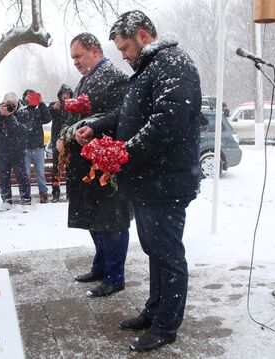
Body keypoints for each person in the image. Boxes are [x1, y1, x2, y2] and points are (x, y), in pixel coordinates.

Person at [74, 11, 202, 352]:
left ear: (144, 36)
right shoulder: (149, 69)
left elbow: (167, 122)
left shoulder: (173, 64)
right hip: (149, 182)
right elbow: (129, 114)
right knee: (154, 251)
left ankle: (166, 325)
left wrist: (123, 152)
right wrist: (99, 126)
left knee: (168, 255)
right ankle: (154, 310)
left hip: (167, 182)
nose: (124, 55)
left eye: (126, 47)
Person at [56, 32, 131, 298]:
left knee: (111, 220)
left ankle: (115, 276)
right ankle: (101, 267)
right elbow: (72, 116)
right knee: (94, 219)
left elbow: (121, 114)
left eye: (79, 55)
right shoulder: (83, 81)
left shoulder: (116, 78)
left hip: (104, 162)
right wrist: (63, 137)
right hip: (84, 163)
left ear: (95, 50)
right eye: (73, 57)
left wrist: (92, 127)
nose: (75, 61)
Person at [0, 92, 32, 211]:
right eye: (9, 104)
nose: (12, 107)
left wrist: (9, 116)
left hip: (18, 151)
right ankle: (6, 201)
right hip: (0, 150)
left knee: (22, 176)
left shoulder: (24, 112)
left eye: (14, 104)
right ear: (3, 102)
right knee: (3, 177)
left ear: (18, 103)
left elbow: (21, 131)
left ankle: (26, 200)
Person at [17, 89, 52, 203]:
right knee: (25, 173)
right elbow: (18, 117)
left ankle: (43, 194)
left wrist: (41, 103)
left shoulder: (38, 111)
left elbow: (47, 119)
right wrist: (24, 103)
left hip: (38, 146)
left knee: (40, 172)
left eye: (33, 96)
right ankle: (26, 196)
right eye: (28, 96)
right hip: (25, 147)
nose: (31, 98)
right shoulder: (21, 110)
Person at [49, 84, 73, 202]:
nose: (66, 96)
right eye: (64, 93)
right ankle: (55, 194)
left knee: (70, 169)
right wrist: (53, 109)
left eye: (68, 94)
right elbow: (47, 117)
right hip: (57, 141)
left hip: (69, 141)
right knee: (56, 169)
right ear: (60, 95)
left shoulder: (73, 106)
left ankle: (70, 193)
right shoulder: (55, 105)